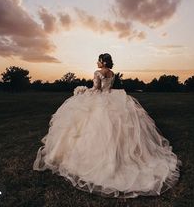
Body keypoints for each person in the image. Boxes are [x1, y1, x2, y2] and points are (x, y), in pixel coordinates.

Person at [33, 53, 182, 198]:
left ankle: (101, 162)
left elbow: (96, 89)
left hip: (101, 99)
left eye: (98, 60)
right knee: (116, 129)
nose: (97, 63)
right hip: (112, 97)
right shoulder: (112, 73)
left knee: (94, 127)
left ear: (103, 62)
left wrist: (83, 90)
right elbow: (108, 88)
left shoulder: (98, 72)